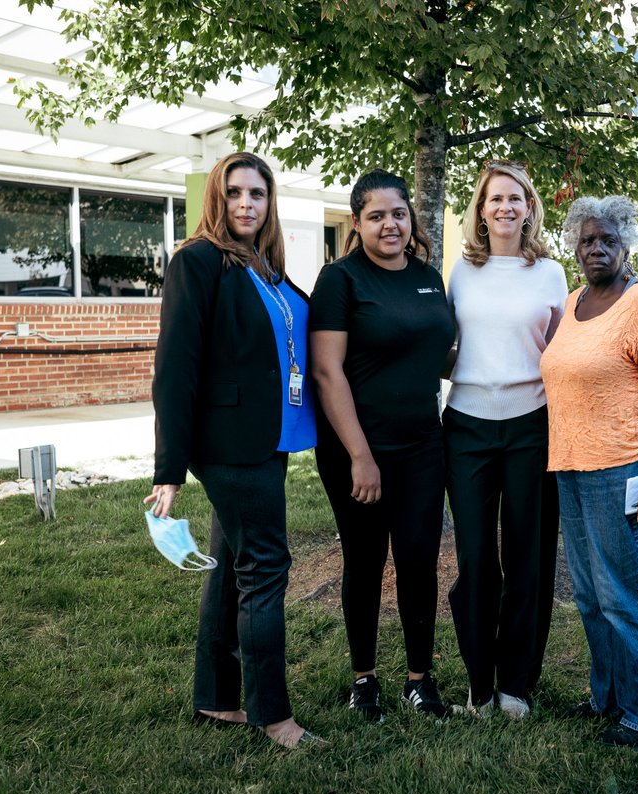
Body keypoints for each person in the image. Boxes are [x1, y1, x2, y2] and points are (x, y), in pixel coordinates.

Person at [145, 151, 321, 750]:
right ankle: (274, 717)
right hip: (230, 446)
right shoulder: (196, 262)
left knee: (229, 571)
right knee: (266, 570)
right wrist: (168, 468)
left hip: (269, 439)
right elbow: (176, 368)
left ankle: (217, 697)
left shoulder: (265, 267)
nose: (247, 204)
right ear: (217, 199)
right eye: (236, 193)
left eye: (259, 194)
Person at [539, 196, 638, 749]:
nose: (596, 248)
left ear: (626, 246)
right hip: (571, 468)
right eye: (586, 240)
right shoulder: (574, 301)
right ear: (575, 247)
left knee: (625, 595)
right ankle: (608, 697)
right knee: (588, 595)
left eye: (607, 240)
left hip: (625, 465)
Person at [309, 168, 456, 722]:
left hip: (423, 445)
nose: (390, 225)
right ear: (357, 222)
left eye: (398, 213)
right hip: (357, 450)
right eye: (377, 216)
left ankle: (420, 678)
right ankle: (364, 677)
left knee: (419, 559)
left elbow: (436, 353)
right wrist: (361, 457)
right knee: (365, 560)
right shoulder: (341, 280)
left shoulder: (427, 276)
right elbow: (327, 373)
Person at [443, 161, 567, 718]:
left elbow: (564, 357)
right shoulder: (461, 272)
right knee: (475, 556)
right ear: (480, 209)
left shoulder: (551, 274)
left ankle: (516, 681)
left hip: (531, 424)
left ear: (530, 208)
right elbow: (448, 347)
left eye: (515, 198)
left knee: (528, 554)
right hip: (466, 424)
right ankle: (477, 681)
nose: (505, 208)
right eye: (494, 199)